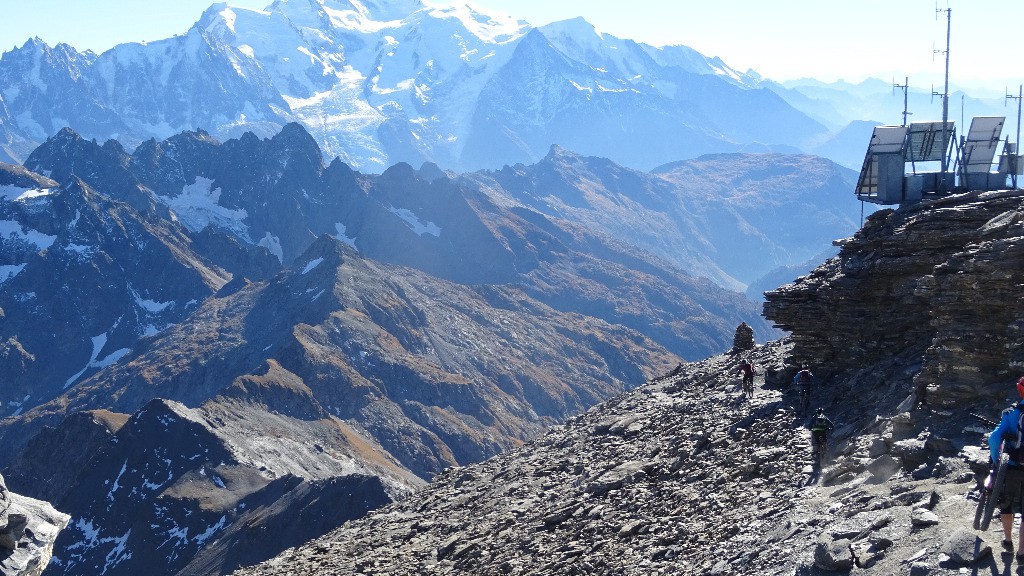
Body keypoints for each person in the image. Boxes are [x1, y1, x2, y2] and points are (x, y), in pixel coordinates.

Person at [988, 376, 1024, 559]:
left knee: (1006, 504)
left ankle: (1008, 541)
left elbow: (994, 439)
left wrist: (996, 461)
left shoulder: (1010, 413)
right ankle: (1022, 552)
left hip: (1011, 467)